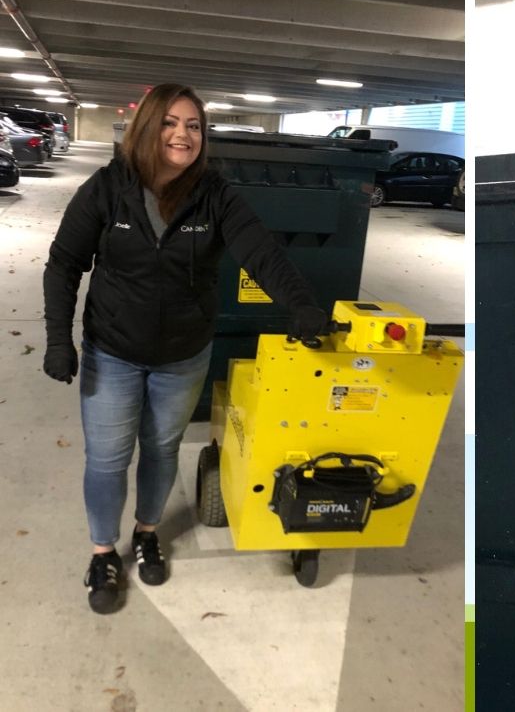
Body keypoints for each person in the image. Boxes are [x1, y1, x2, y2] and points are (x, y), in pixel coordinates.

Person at [42, 84, 327, 615]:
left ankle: (147, 532)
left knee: (162, 449)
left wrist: (301, 305)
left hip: (182, 355)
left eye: (193, 125)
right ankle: (104, 553)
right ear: (147, 127)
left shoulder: (215, 195)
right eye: (170, 123)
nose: (182, 134)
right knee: (107, 459)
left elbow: (261, 254)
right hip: (113, 350)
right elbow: (64, 264)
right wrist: (59, 338)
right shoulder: (107, 189)